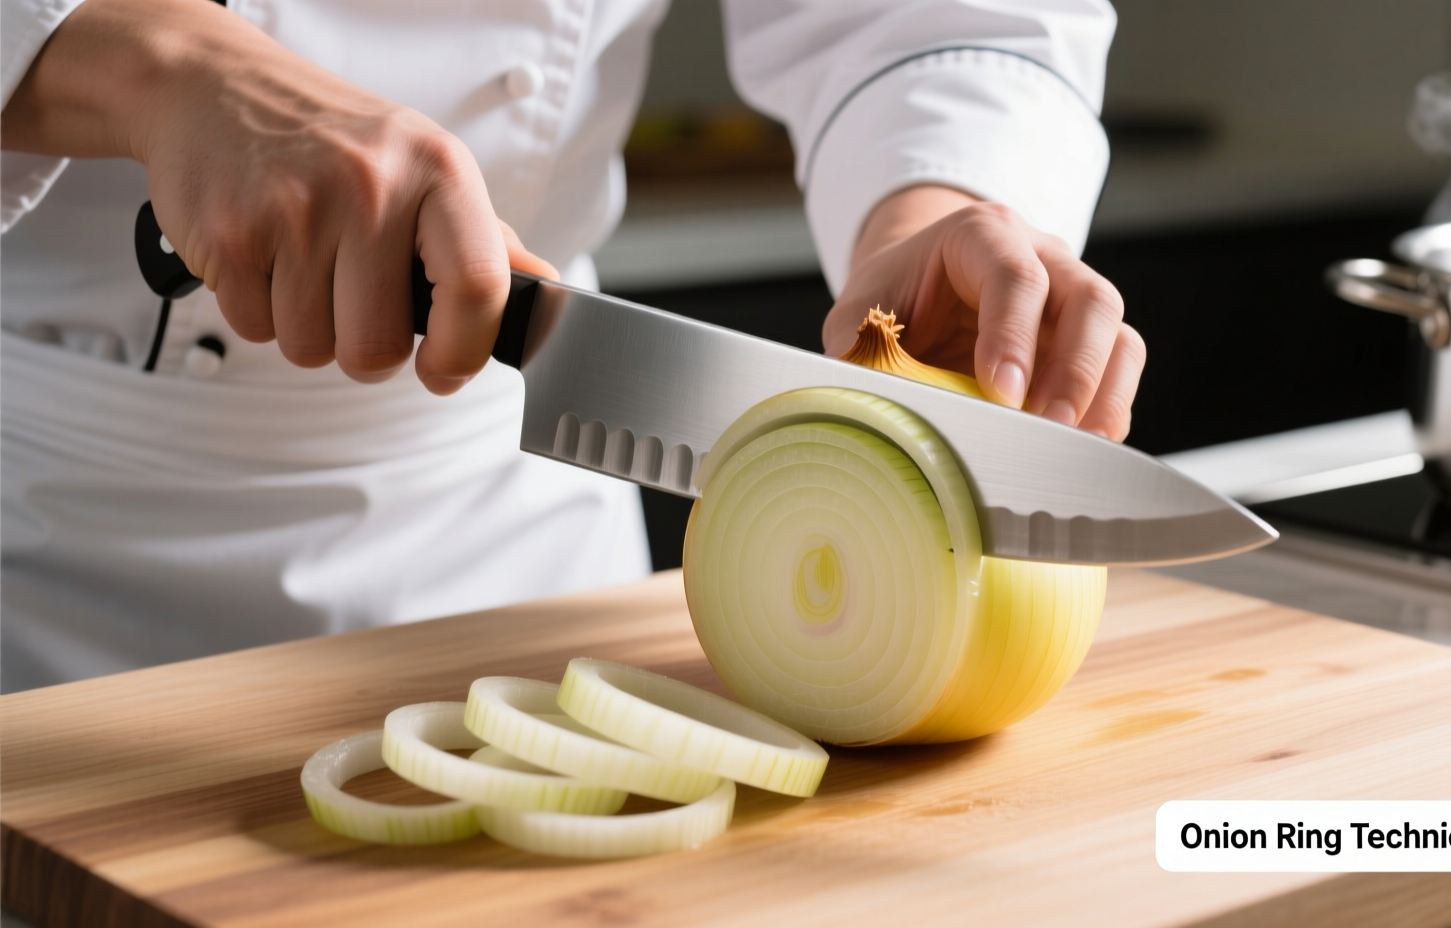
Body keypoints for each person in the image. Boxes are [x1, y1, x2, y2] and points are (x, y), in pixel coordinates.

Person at [0, 0, 1143, 691]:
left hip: (515, 537)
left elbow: (928, 17)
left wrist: (933, 201)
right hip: (49, 537)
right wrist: (138, 56)